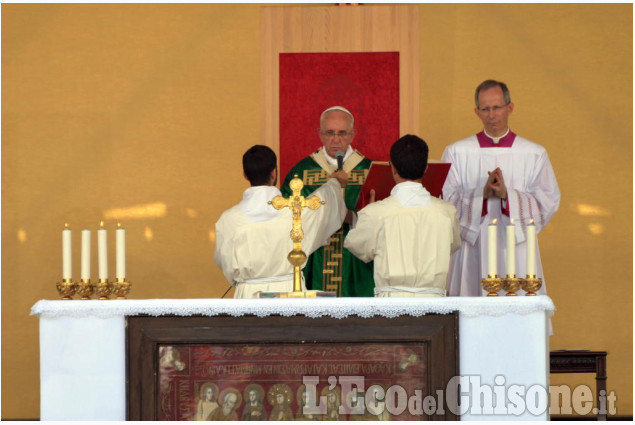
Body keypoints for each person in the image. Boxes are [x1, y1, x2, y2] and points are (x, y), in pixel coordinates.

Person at [441, 80, 560, 296]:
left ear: (510, 107)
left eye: (497, 107)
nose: (491, 115)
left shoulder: (533, 153)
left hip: (517, 247)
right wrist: (481, 195)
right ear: (477, 112)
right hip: (473, 248)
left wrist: (508, 196)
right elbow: (444, 201)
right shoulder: (457, 153)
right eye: (485, 109)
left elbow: (548, 200)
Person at [214, 145, 348, 298]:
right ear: (274, 173)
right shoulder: (296, 211)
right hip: (290, 289)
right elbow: (325, 205)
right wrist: (336, 183)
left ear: (245, 175)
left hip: (249, 293)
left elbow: (223, 260)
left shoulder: (228, 219)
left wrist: (248, 279)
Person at [344, 135, 461, 297]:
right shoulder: (447, 212)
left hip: (391, 305)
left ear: (392, 168)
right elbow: (452, 245)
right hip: (435, 306)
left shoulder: (375, 213)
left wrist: (367, 214)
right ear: (426, 167)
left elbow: (357, 246)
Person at [281, 106, 374, 297]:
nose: (336, 139)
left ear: (353, 134)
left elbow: (380, 219)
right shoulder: (302, 172)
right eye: (330, 133)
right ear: (320, 134)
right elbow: (287, 218)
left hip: (354, 262)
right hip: (316, 259)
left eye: (342, 133)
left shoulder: (369, 171)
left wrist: (353, 217)